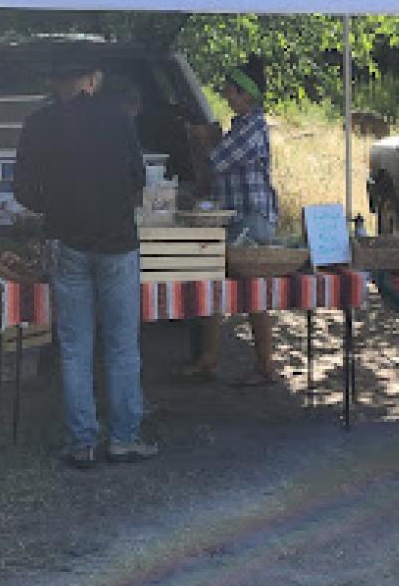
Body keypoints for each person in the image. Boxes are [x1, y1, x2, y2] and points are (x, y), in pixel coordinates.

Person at [14, 64, 155, 469]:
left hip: (67, 241)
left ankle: (82, 443)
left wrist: (54, 207)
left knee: (76, 347)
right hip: (117, 241)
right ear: (89, 81)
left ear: (56, 81)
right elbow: (137, 176)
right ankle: (124, 439)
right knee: (123, 346)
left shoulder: (38, 123)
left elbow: (23, 190)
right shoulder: (117, 115)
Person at [178, 56, 280, 386]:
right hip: (237, 220)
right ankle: (211, 358)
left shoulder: (252, 129)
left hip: (252, 221)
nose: (226, 96)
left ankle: (263, 365)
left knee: (249, 292)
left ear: (246, 96)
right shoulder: (240, 125)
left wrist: (200, 138)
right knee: (218, 282)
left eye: (231, 92)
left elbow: (215, 162)